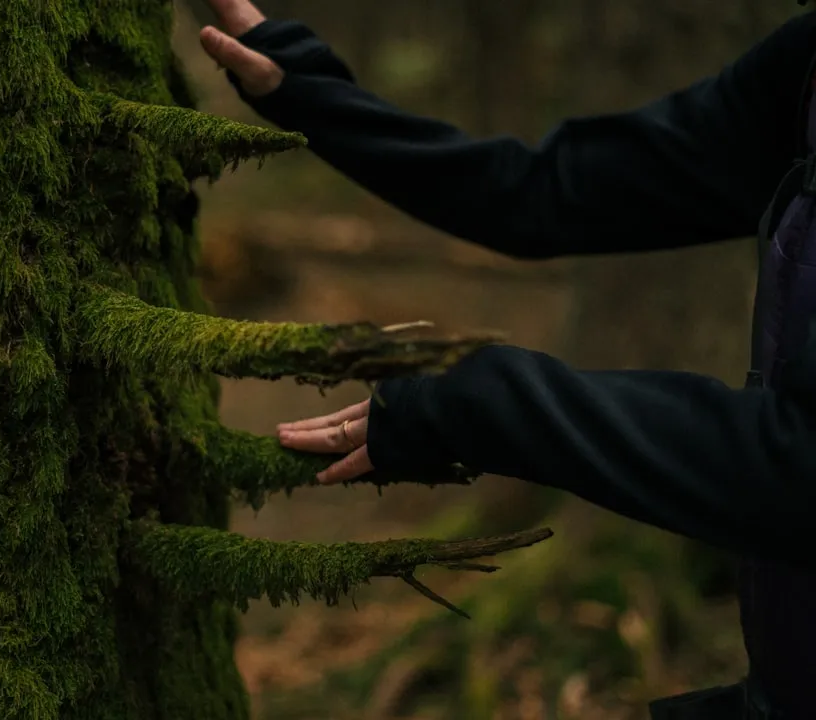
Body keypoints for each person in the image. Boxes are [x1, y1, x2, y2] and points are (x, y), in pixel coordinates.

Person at [197, 0, 816, 718]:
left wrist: (482, 402)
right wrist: (313, 95)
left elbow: (797, 469)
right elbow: (539, 193)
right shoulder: (805, 69)